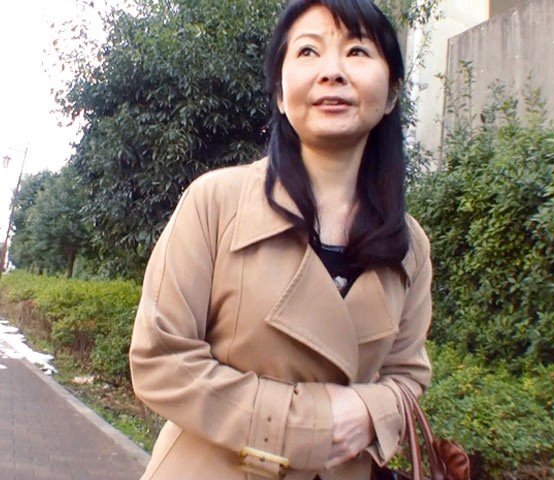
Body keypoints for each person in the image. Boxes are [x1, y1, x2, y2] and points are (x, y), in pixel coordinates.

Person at [129, 0, 433, 479]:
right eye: (309, 51)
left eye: (357, 51)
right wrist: (311, 425)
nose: (332, 71)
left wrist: (370, 413)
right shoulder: (216, 202)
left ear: (392, 92)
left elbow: (408, 375)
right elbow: (160, 359)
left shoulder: (408, 243)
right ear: (280, 93)